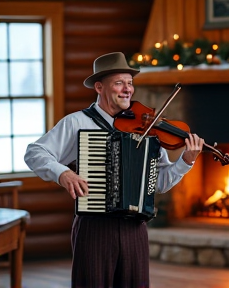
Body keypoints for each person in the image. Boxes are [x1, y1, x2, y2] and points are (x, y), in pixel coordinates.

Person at [24, 52, 204, 288]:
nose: (127, 89)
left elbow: (159, 183)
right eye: (119, 83)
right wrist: (63, 172)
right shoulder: (77, 123)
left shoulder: (146, 128)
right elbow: (34, 152)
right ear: (99, 87)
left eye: (130, 83)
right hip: (94, 227)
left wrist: (186, 161)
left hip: (135, 228)